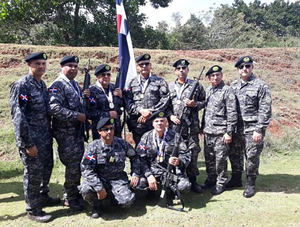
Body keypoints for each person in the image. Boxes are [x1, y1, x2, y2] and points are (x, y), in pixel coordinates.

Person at [10, 52, 60, 223]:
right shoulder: (22, 85)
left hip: (44, 137)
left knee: (46, 168)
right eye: (37, 63)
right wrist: (27, 143)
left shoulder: (41, 84)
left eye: (43, 63)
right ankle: (33, 209)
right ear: (29, 65)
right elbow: (19, 117)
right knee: (33, 174)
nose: (41, 66)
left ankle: (43, 196)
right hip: (31, 139)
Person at [48, 55, 89, 211]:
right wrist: (76, 115)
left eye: (75, 66)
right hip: (66, 134)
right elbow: (53, 108)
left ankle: (75, 194)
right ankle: (70, 198)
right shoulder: (58, 85)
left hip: (76, 133)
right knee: (72, 166)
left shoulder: (74, 85)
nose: (73, 69)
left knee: (78, 165)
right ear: (62, 67)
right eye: (70, 66)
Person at [228, 56, 272, 198]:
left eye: (247, 66)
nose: (245, 69)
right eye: (242, 67)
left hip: (252, 128)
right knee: (235, 154)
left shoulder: (261, 85)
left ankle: (250, 183)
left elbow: (265, 109)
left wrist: (259, 129)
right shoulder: (233, 86)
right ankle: (236, 179)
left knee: (252, 156)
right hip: (236, 128)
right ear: (238, 70)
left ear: (252, 67)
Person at [79, 117, 139, 218]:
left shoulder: (122, 143)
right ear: (99, 131)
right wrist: (99, 187)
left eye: (111, 128)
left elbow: (135, 157)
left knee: (127, 201)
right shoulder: (93, 147)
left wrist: (135, 173)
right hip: (100, 179)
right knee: (86, 189)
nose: (109, 132)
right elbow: (86, 168)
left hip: (117, 179)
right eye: (105, 129)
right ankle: (96, 206)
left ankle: (111, 199)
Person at [168, 59, 206, 193]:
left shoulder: (196, 85)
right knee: (175, 153)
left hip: (191, 127)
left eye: (184, 68)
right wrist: (170, 116)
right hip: (175, 128)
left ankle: (193, 180)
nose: (181, 71)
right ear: (175, 71)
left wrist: (194, 104)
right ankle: (176, 180)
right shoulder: (170, 86)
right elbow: (165, 105)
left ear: (187, 70)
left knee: (193, 152)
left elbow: (204, 102)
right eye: (178, 68)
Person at [136, 112, 191, 200]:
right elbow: (140, 158)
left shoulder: (175, 136)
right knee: (139, 184)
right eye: (157, 121)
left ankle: (171, 190)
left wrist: (179, 161)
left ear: (166, 123)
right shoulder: (146, 137)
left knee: (184, 186)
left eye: (162, 121)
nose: (159, 123)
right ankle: (152, 191)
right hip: (153, 170)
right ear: (152, 123)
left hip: (170, 170)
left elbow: (186, 154)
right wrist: (149, 175)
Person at [201, 65, 238, 195]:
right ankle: (211, 179)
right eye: (212, 76)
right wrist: (202, 128)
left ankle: (221, 183)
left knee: (220, 160)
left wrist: (229, 132)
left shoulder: (227, 91)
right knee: (209, 158)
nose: (215, 77)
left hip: (221, 132)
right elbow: (206, 111)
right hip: (208, 132)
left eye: (217, 75)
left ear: (221, 76)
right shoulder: (209, 90)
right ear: (209, 78)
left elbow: (232, 113)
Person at [125, 53, 169, 145]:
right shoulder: (131, 83)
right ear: (138, 67)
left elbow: (165, 100)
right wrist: (140, 111)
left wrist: (150, 112)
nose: (144, 66)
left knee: (156, 146)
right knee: (140, 148)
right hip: (137, 123)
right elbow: (128, 102)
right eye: (141, 64)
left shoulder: (159, 81)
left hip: (155, 122)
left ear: (150, 65)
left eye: (147, 64)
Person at [87, 64, 123, 139]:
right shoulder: (91, 91)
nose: (106, 77)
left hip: (115, 129)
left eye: (108, 74)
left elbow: (121, 107)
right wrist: (107, 114)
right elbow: (89, 113)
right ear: (97, 77)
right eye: (103, 75)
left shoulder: (114, 88)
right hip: (101, 130)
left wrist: (121, 96)